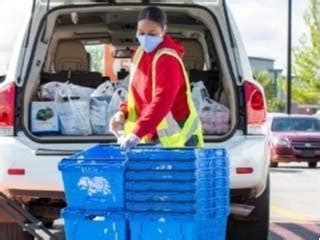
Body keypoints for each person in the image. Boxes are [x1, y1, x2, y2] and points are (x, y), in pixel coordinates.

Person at [109, 6, 204, 150]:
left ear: (164, 31)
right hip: (154, 130)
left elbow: (162, 101)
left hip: (177, 134)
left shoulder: (167, 58)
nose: (146, 38)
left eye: (152, 33)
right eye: (141, 33)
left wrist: (137, 133)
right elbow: (136, 92)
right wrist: (122, 112)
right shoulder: (140, 53)